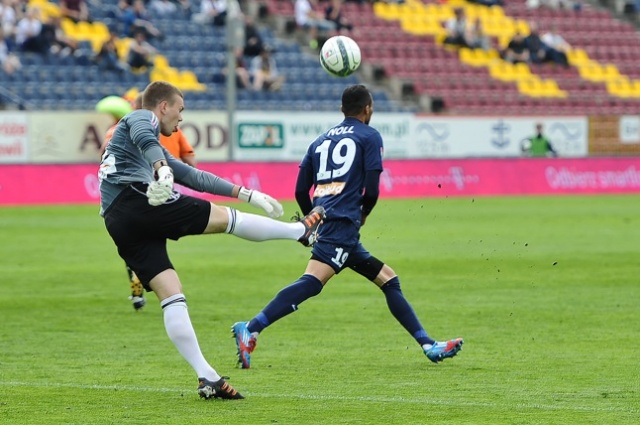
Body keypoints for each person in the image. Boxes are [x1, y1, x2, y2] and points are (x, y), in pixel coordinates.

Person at [99, 80, 325, 399]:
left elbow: (191, 175)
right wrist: (161, 170)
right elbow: (144, 136)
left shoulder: (150, 141)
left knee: (171, 293)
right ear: (163, 106)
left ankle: (208, 378)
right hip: (137, 199)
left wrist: (246, 193)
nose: (181, 119)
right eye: (180, 110)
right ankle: (300, 231)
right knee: (224, 219)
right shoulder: (140, 117)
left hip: (118, 220)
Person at [231, 84, 463, 370]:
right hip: (342, 223)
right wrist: (363, 212)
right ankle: (251, 327)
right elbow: (373, 189)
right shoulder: (369, 136)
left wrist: (311, 222)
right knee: (313, 282)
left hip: (332, 223)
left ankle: (428, 344)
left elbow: (301, 190)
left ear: (343, 109)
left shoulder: (319, 141)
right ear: (367, 109)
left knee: (389, 279)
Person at [99, 92, 197, 310]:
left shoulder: (118, 130)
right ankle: (164, 287)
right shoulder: (174, 131)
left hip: (134, 190)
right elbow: (190, 158)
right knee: (155, 238)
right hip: (163, 187)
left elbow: (105, 155)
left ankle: (139, 277)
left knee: (137, 240)